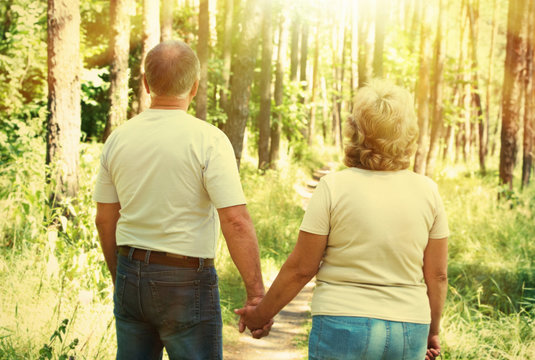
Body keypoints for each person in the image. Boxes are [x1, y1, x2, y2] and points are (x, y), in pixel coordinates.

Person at [236, 80, 449, 360]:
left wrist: (260, 315)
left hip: (342, 324)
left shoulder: (333, 187)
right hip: (408, 329)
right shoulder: (428, 192)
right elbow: (437, 275)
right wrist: (432, 330)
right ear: (407, 134)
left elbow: (302, 268)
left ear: (355, 131)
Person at [94, 40, 271, 360]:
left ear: (146, 84)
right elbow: (235, 221)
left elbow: (105, 219)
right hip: (185, 280)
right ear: (195, 86)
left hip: (130, 273)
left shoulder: (117, 139)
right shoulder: (210, 140)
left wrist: (119, 275)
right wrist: (257, 295)